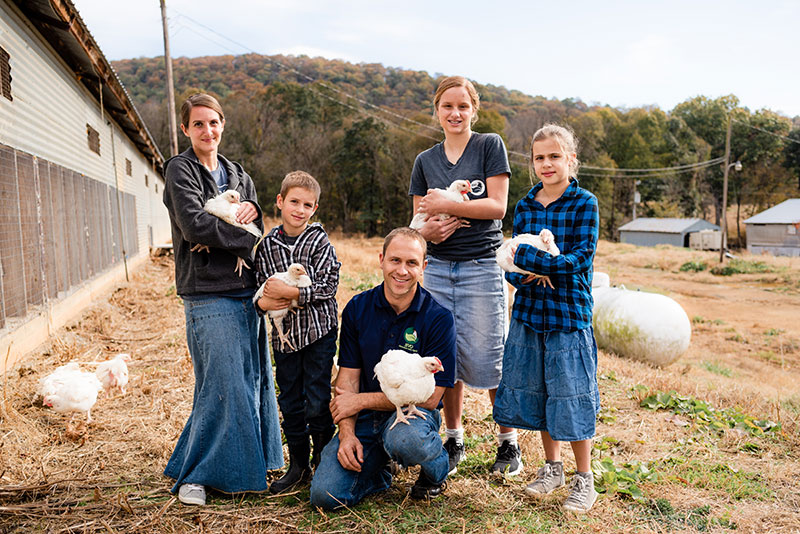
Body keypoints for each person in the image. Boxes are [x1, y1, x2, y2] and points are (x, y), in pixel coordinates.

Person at [162, 93, 283, 506]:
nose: (207, 131)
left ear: (223, 125)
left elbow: (257, 219)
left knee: (249, 380)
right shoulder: (180, 169)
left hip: (247, 291)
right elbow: (194, 225)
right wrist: (248, 242)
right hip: (206, 291)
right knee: (221, 383)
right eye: (198, 124)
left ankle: (245, 461)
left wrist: (252, 213)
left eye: (213, 123)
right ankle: (198, 476)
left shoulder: (237, 172)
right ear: (186, 129)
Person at [409, 75, 519, 476]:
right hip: (437, 268)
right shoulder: (425, 161)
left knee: (491, 357)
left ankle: (508, 442)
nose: (455, 113)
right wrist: (427, 229)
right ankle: (453, 438)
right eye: (447, 107)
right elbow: (419, 221)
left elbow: (497, 207)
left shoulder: (489, 146)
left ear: (474, 110)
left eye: (462, 106)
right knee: (444, 358)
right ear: (436, 111)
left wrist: (445, 203)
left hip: (480, 267)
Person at [492, 124, 600, 513]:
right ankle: (552, 468)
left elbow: (578, 261)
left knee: (571, 395)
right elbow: (510, 264)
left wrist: (535, 263)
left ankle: (584, 479)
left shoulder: (584, 202)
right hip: (530, 313)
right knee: (541, 393)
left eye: (555, 156)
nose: (547, 164)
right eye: (539, 157)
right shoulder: (525, 206)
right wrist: (527, 267)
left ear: (571, 159)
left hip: (568, 315)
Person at [309, 228, 456, 510]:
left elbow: (431, 397)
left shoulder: (438, 318)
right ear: (381, 260)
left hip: (414, 416)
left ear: (423, 267)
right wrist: (347, 434)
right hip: (364, 420)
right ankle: (379, 470)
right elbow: (347, 382)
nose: (402, 270)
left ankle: (437, 470)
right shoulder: (358, 308)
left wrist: (361, 400)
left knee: (406, 438)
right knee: (325, 496)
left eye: (412, 263)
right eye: (395, 260)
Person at [254, 170, 340, 494]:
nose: (299, 210)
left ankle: (323, 461)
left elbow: (328, 286)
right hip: (286, 337)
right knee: (290, 399)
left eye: (307, 204)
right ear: (280, 202)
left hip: (319, 333)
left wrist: (291, 294)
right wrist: (267, 300)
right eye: (294, 202)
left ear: (314, 208)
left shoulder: (319, 241)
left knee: (317, 398)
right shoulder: (267, 246)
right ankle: (298, 465)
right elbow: (261, 291)